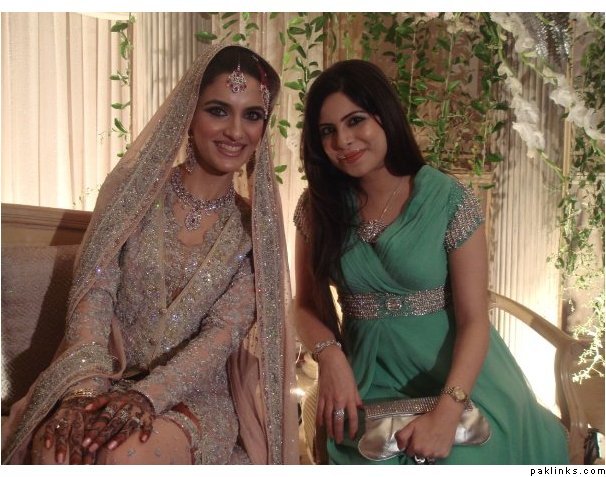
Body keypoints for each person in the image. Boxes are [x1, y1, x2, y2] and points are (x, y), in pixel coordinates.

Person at [2, 44, 298, 465]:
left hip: (194, 397)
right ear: (189, 113)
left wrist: (148, 395)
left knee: (124, 455)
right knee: (56, 450)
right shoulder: (133, 193)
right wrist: (82, 391)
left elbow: (221, 335)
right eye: (218, 110)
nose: (236, 131)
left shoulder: (255, 230)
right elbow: (94, 295)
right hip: (103, 375)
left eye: (252, 115)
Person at [293, 59, 569, 465]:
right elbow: (304, 304)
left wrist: (447, 412)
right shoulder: (317, 207)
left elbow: (474, 319)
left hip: (461, 384)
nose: (343, 140)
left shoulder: (448, 200)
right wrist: (330, 356)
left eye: (355, 121)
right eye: (327, 131)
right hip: (369, 384)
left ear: (385, 116)